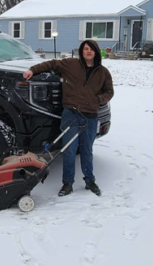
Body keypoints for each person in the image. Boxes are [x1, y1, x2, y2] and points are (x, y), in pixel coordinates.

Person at [23, 40, 114, 197]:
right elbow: (51, 64)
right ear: (81, 51)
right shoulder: (70, 64)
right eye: (85, 49)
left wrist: (98, 99)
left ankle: (89, 180)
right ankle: (67, 183)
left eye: (91, 49)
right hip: (71, 114)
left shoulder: (103, 72)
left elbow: (109, 92)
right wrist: (32, 69)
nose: (88, 51)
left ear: (96, 52)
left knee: (86, 150)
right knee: (69, 151)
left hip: (90, 116)